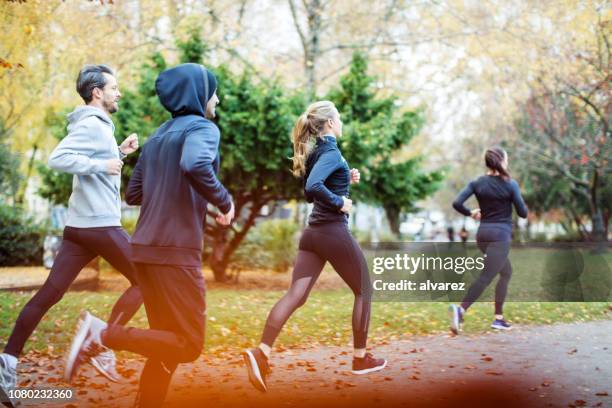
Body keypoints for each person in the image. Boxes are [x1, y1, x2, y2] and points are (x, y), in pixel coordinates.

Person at [63, 63, 234, 408]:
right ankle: (102, 334)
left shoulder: (158, 135)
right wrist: (224, 200)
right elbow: (195, 165)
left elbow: (135, 193)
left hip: (145, 250)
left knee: (165, 345)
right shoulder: (203, 128)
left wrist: (186, 195)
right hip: (174, 252)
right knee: (188, 344)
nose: (217, 98)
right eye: (213, 91)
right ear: (199, 94)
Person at [0, 64, 143, 408]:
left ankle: (6, 364)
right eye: (114, 87)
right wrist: (102, 164)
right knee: (148, 281)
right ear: (98, 93)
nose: (118, 93)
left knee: (50, 292)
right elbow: (58, 158)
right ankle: (101, 341)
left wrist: (119, 154)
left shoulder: (96, 126)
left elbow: (93, 161)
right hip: (100, 225)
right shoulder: (94, 125)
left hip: (80, 227)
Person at [243, 101, 386, 393]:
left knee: (297, 295)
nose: (341, 121)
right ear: (331, 123)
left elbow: (315, 187)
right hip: (331, 231)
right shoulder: (330, 151)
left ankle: (261, 353)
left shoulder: (319, 151)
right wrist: (340, 202)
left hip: (313, 235)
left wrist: (345, 179)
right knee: (364, 290)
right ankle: (360, 359)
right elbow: (313, 189)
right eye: (340, 118)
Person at [449, 146, 528, 334]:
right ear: (501, 161)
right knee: (487, 276)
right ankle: (460, 311)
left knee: (506, 271)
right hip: (500, 236)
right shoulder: (510, 184)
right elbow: (523, 213)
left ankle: (498, 318)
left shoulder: (477, 182)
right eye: (506, 159)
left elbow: (456, 203)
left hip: (483, 235)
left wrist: (471, 213)